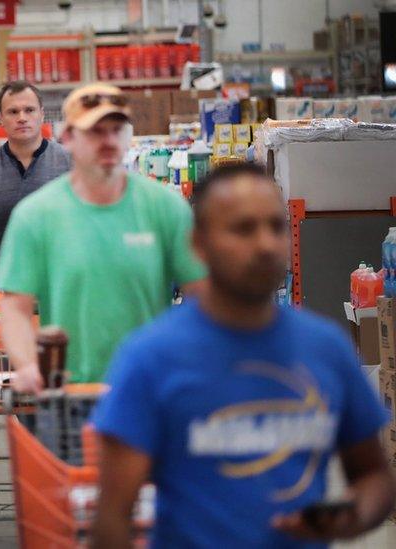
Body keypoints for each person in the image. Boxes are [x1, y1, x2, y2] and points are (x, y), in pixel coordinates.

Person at [91, 163, 396, 548]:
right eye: (243, 228)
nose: (266, 244)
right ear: (198, 244)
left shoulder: (326, 347)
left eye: (276, 226)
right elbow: (112, 517)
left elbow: (375, 477)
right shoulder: (151, 359)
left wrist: (349, 515)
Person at [0, 83, 206, 388]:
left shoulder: (165, 208)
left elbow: (202, 294)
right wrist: (28, 365)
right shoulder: (36, 216)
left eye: (116, 129)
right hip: (71, 393)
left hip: (151, 389)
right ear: (68, 137)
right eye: (95, 131)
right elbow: (15, 309)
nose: (108, 140)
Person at [0, 81, 70, 297]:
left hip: (63, 293)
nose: (22, 117)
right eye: (13, 111)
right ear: (0, 118)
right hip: (4, 296)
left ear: (42, 114)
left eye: (29, 110)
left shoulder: (70, 163)